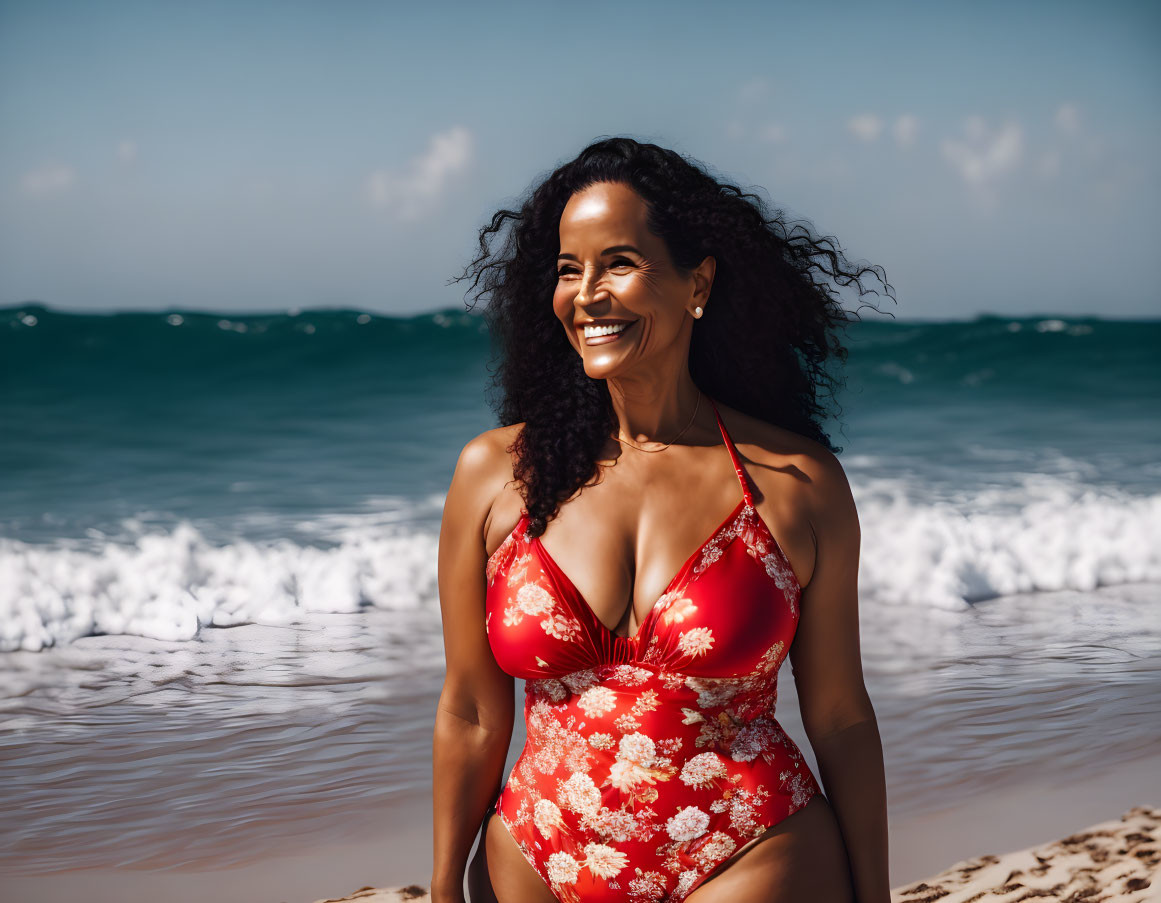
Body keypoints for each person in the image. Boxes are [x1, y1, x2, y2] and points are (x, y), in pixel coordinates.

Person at [432, 137, 893, 903]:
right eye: (567, 269)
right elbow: (472, 710)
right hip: (538, 856)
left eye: (617, 262)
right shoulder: (495, 475)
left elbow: (840, 715)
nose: (586, 294)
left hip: (746, 850)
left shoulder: (795, 484)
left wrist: (874, 896)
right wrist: (445, 884)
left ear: (697, 284)